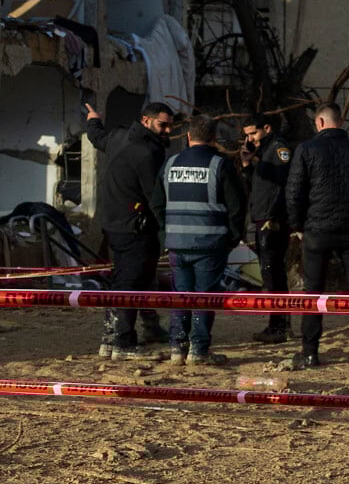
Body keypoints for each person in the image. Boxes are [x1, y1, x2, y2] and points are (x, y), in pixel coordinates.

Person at [284, 102, 349, 368]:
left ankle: (311, 351)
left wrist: (298, 226)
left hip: (316, 229)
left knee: (313, 290)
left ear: (320, 123)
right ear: (340, 121)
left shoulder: (306, 149)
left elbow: (294, 193)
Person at [148, 115, 246, 366]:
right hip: (210, 244)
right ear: (214, 138)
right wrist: (232, 238)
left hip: (177, 244)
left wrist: (166, 233)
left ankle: (177, 348)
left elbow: (156, 203)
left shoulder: (170, 164)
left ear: (189, 136)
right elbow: (237, 206)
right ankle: (199, 351)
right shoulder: (219, 165)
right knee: (204, 297)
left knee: (180, 295)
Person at [85, 100, 177, 359]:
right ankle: (122, 342)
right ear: (146, 121)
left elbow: (96, 136)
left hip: (114, 224)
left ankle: (136, 331)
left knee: (135, 278)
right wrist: (166, 234)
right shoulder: (148, 152)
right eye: (163, 125)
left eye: (170, 125)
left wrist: (93, 119)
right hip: (135, 227)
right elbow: (155, 197)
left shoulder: (118, 136)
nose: (168, 130)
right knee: (130, 281)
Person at [239, 115, 295, 343]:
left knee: (273, 272)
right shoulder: (264, 153)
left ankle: (279, 325)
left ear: (267, 128)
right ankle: (278, 323)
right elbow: (258, 185)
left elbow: (282, 182)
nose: (249, 138)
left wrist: (275, 216)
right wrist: (247, 164)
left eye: (253, 133)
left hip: (273, 219)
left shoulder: (279, 149)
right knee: (268, 271)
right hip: (262, 217)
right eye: (247, 135)